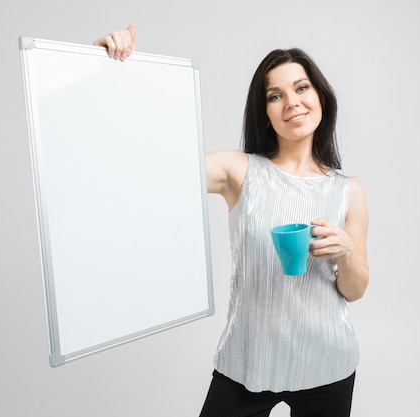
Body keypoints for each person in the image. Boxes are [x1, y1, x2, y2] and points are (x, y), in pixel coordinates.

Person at [94, 25, 369, 417]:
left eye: (301, 88)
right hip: (247, 360)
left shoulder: (349, 190)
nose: (292, 102)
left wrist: (345, 251)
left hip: (328, 362)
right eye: (276, 95)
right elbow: (147, 167)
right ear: (265, 112)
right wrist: (104, 69)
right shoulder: (238, 171)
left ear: (321, 96)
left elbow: (355, 289)